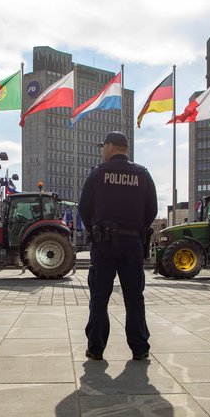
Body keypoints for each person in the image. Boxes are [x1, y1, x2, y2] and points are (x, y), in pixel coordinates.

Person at [78, 131, 158, 361]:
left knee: (99, 297)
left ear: (111, 147)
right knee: (134, 297)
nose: (103, 150)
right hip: (132, 242)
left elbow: (84, 207)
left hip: (104, 244)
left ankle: (96, 348)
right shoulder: (142, 174)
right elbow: (151, 210)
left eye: (104, 146)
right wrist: (136, 228)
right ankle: (139, 348)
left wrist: (95, 229)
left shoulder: (97, 174)